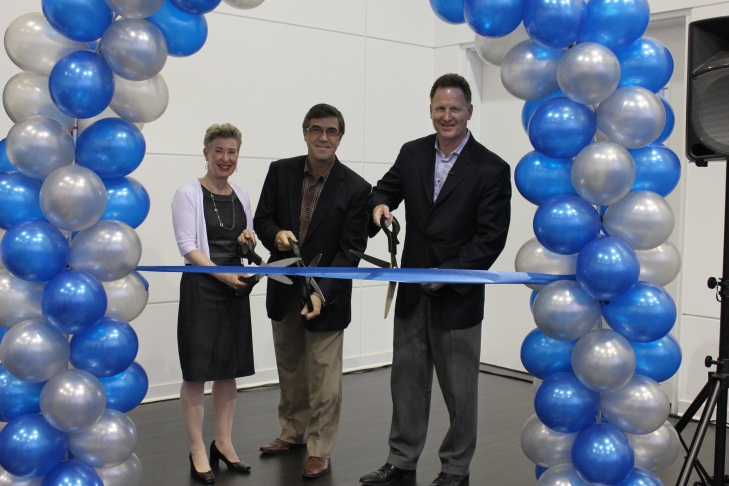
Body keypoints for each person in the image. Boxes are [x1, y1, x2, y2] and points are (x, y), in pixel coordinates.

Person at [359, 74, 512, 486]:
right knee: (406, 383)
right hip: (412, 290)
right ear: (431, 110)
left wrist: (446, 275)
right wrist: (380, 208)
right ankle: (401, 460)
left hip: (457, 295)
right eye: (440, 108)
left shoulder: (492, 168)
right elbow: (382, 190)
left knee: (460, 392)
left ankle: (455, 469)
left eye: (455, 109)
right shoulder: (412, 153)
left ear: (469, 113)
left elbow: (490, 239)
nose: (447, 116)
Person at [253, 103, 371, 479]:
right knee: (289, 368)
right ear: (305, 133)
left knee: (324, 377)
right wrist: (276, 235)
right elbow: (262, 219)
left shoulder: (356, 188)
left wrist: (322, 292)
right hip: (284, 287)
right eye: (316, 129)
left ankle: (320, 448)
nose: (323, 137)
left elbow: (351, 250)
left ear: (340, 137)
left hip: (328, 296)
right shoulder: (280, 171)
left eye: (331, 131)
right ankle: (292, 432)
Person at [171, 123, 256, 484]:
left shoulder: (241, 195)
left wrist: (247, 245)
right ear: (206, 153)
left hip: (234, 289)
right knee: (196, 373)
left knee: (228, 370)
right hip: (203, 289)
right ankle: (197, 449)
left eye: (232, 151)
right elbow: (188, 247)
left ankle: (223, 442)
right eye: (218, 151)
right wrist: (223, 275)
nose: (225, 158)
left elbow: (246, 245)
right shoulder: (188, 193)